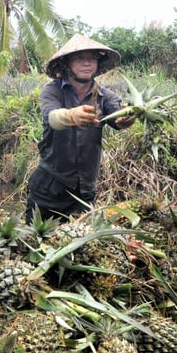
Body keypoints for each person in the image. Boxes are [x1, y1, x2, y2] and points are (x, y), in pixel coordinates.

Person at [25, 33, 135, 223]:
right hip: (48, 188)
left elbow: (118, 117)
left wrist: (126, 118)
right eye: (79, 58)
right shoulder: (53, 91)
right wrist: (71, 116)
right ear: (66, 64)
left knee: (79, 248)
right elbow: (52, 117)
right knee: (35, 244)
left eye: (92, 58)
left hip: (83, 191)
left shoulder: (105, 96)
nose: (87, 63)